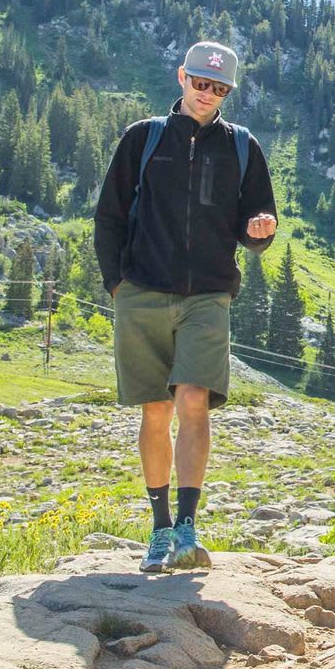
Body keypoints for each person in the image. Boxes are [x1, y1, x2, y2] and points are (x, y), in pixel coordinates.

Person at [94, 41, 278, 573]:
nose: (208, 94)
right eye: (201, 83)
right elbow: (108, 217)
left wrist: (261, 232)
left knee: (194, 400)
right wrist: (117, 287)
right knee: (156, 409)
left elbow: (256, 223)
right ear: (181, 78)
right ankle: (157, 528)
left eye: (219, 88)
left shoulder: (243, 147)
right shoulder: (142, 138)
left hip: (208, 296)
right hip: (142, 293)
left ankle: (187, 527)